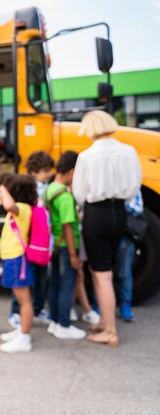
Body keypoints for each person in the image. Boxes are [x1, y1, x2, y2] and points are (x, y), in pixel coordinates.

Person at [73, 110, 142, 347]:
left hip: (96, 214)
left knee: (101, 274)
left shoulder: (87, 156)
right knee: (105, 270)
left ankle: (110, 331)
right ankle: (105, 320)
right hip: (119, 213)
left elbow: (79, 193)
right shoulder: (129, 151)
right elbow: (134, 187)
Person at [9, 151, 55, 328]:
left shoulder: (47, 187)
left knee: (40, 277)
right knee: (24, 277)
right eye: (45, 170)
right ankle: (15, 311)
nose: (49, 173)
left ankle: (37, 309)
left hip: (42, 241)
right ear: (34, 171)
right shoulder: (26, 188)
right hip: (29, 241)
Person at [45, 151, 87, 340]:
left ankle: (54, 322)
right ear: (71, 171)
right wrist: (73, 254)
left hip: (54, 243)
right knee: (67, 284)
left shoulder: (50, 189)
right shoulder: (65, 196)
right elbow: (68, 226)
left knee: (55, 283)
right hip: (66, 245)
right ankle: (64, 324)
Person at [0, 174, 37, 353]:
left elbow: (8, 204)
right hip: (12, 257)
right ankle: (21, 331)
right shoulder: (21, 209)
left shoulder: (21, 208)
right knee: (21, 298)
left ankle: (24, 337)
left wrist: (2, 188)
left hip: (16, 258)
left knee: (24, 300)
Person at [115, 189, 144, 322]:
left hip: (125, 233)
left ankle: (125, 304)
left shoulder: (131, 185)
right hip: (106, 228)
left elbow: (138, 208)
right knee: (102, 271)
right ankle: (98, 303)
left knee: (124, 272)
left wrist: (116, 204)